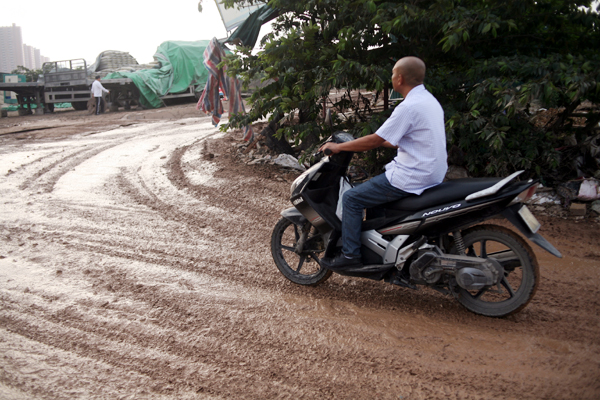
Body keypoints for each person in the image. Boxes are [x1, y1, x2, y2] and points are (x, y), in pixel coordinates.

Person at [319, 56, 447, 270]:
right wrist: (379, 141)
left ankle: (351, 255)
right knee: (371, 192)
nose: (391, 78)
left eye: (392, 74)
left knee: (351, 198)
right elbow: (406, 138)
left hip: (412, 175)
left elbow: (376, 140)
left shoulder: (408, 107)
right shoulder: (429, 101)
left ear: (399, 78)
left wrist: (340, 147)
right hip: (432, 172)